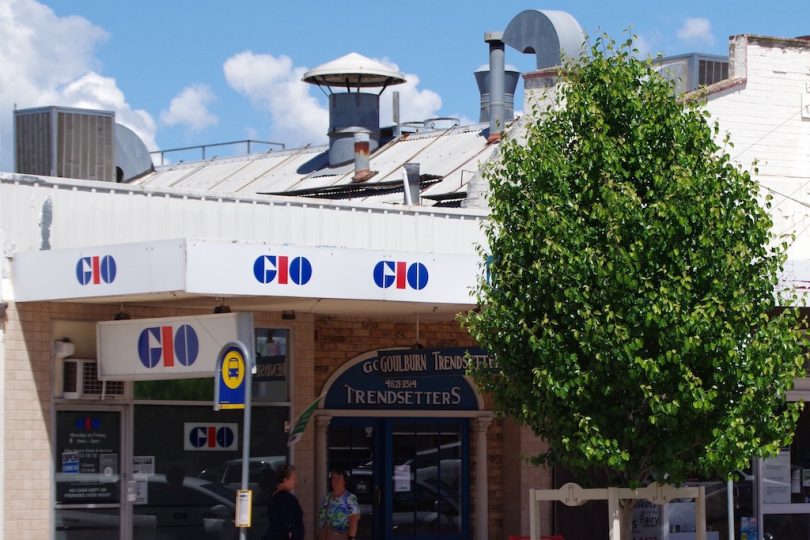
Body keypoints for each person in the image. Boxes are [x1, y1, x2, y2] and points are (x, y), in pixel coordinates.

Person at [318, 468, 360, 540]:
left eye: (339, 478)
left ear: (344, 481)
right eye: (334, 478)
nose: (336, 480)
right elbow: (321, 518)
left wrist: (351, 538)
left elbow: (354, 520)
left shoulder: (350, 498)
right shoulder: (327, 498)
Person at [265, 464, 304, 540]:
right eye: (293, 478)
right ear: (285, 479)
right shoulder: (286, 498)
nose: (295, 482)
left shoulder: (274, 495)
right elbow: (287, 523)